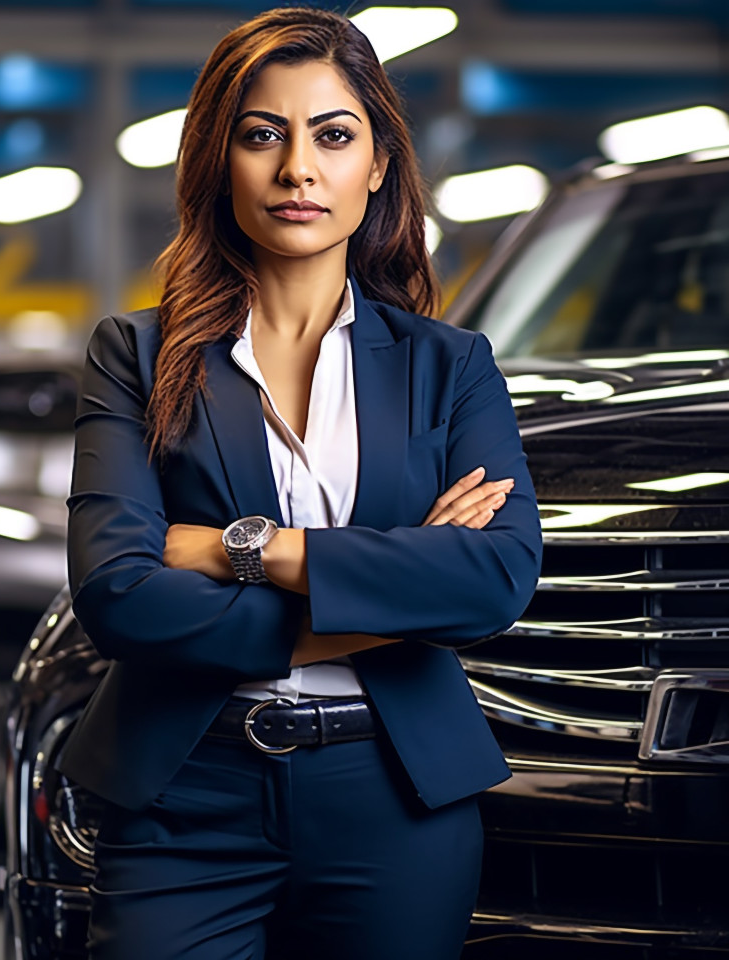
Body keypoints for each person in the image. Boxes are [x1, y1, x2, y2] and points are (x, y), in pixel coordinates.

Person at [57, 7, 542, 959]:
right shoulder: (136, 354)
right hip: (183, 794)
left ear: (379, 167)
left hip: (396, 791)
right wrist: (401, 591)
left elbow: (494, 580)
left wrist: (247, 549)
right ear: (216, 161)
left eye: (333, 135)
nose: (297, 170)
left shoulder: (452, 367)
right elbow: (118, 597)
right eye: (261, 134)